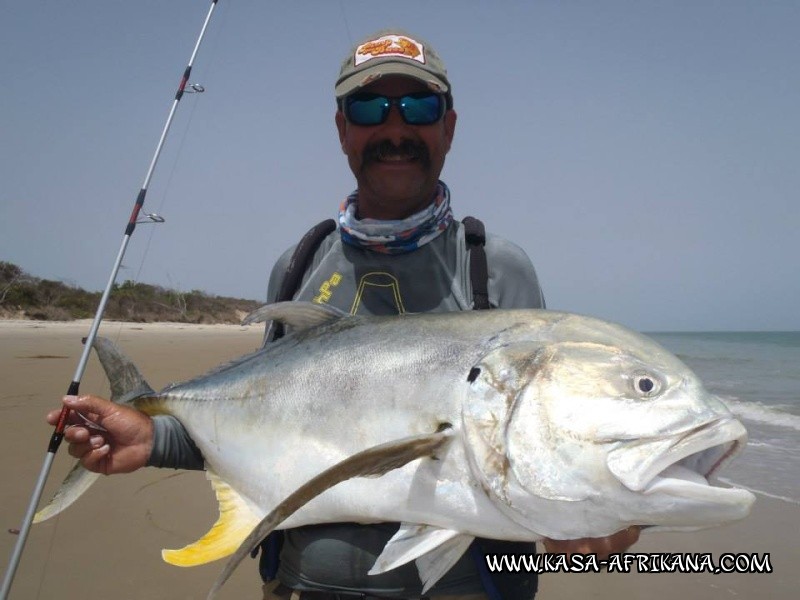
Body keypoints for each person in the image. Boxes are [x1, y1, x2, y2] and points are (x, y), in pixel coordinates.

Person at [49, 29, 639, 600]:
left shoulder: (497, 268)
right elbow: (266, 428)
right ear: (341, 129)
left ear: (449, 126)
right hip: (300, 587)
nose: (395, 127)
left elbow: (550, 435)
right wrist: (153, 436)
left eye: (418, 105)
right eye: (368, 108)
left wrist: (612, 505)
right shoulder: (299, 265)